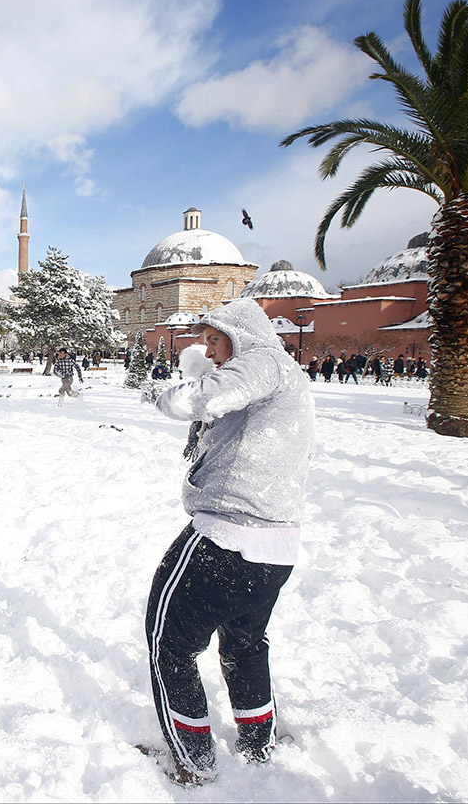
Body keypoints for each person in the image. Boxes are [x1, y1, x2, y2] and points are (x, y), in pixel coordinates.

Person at [147, 298, 314, 786]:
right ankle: (257, 741)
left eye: (215, 340)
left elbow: (200, 398)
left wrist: (167, 395)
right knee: (244, 644)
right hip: (275, 546)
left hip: (228, 535)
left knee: (169, 644)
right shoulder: (284, 378)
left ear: (239, 334)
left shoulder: (263, 362)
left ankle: (193, 760)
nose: (211, 351)